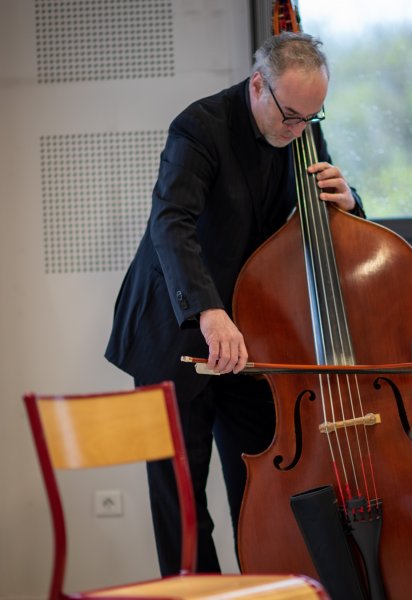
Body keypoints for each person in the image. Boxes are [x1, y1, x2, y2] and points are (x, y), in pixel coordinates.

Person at [105, 31, 365, 576]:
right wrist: (208, 309)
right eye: (291, 115)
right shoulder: (199, 128)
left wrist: (351, 203)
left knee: (263, 491)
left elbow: (327, 233)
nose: (299, 131)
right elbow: (170, 225)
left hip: (251, 345)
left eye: (311, 120)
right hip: (173, 334)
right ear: (257, 86)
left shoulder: (303, 133)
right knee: (182, 505)